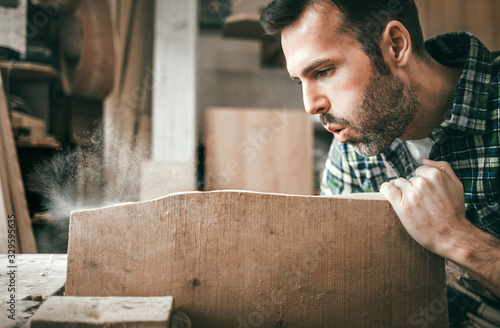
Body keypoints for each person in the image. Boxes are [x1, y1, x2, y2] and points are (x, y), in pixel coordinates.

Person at [260, 0, 500, 326]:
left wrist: (456, 237)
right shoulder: (352, 147)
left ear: (395, 45)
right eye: (299, 81)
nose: (310, 105)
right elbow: (340, 282)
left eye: (324, 71)